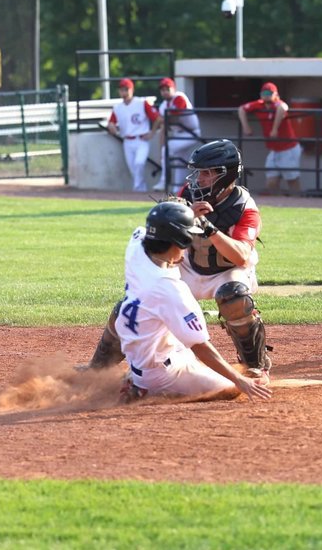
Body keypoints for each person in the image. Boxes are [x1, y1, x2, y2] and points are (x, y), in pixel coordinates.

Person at [88, 139, 274, 379]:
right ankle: (98, 367)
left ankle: (255, 365)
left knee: (234, 297)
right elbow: (162, 223)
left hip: (227, 270)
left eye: (207, 174)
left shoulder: (244, 208)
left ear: (225, 176)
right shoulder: (189, 194)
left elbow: (240, 256)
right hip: (189, 264)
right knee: (134, 302)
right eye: (199, 173)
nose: (200, 179)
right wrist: (186, 215)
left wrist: (208, 228)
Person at [110, 200, 273, 403]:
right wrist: (239, 380)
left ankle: (135, 377)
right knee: (230, 388)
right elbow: (200, 347)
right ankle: (145, 389)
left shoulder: (136, 247)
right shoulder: (170, 289)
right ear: (181, 241)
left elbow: (150, 229)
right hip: (162, 373)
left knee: (174, 339)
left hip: (144, 351)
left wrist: (183, 214)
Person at [238, 82, 302, 196]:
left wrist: (274, 129)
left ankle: (299, 203)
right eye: (264, 93)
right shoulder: (259, 104)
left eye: (269, 93)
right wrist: (246, 127)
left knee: (292, 180)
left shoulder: (278, 104)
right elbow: (242, 109)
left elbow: (283, 107)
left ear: (275, 94)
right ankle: (278, 205)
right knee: (271, 182)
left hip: (288, 148)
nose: (266, 95)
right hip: (274, 149)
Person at [107, 78, 160, 192]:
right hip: (127, 140)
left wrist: (152, 132)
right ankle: (141, 190)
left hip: (141, 139)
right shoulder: (118, 107)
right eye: (122, 90)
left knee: (139, 163)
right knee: (133, 169)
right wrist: (111, 126)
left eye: (126, 89)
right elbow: (111, 122)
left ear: (132, 90)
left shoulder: (141, 103)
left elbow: (157, 118)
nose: (124, 93)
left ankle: (137, 189)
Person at [152, 77, 201, 194]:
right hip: (178, 134)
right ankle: (179, 188)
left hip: (191, 133)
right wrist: (160, 153)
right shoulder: (163, 105)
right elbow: (164, 127)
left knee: (168, 149)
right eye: (162, 89)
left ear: (173, 88)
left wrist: (160, 121)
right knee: (179, 161)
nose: (165, 92)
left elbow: (174, 118)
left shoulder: (179, 97)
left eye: (167, 89)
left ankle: (164, 181)